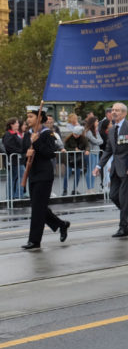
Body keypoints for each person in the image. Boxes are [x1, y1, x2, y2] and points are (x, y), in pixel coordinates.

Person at [20, 106, 70, 250]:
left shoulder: (47, 134)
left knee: (37, 208)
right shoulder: (27, 134)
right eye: (27, 116)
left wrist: (36, 142)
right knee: (38, 207)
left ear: (39, 118)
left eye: (31, 116)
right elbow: (24, 153)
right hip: (32, 174)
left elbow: (50, 153)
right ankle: (61, 224)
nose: (28, 119)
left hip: (44, 174)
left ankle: (34, 241)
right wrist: (26, 156)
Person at [94, 102, 128, 238]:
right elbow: (108, 150)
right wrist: (99, 166)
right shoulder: (111, 129)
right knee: (113, 196)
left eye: (118, 110)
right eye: (113, 110)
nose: (114, 112)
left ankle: (123, 228)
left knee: (122, 197)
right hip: (115, 168)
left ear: (124, 113)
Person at [4, 118, 25, 200]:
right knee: (19, 177)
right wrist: (21, 151)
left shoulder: (15, 134)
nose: (18, 124)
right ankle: (16, 196)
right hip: (14, 160)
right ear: (11, 124)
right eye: (16, 123)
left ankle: (13, 196)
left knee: (14, 178)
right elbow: (9, 147)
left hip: (17, 160)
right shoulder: (9, 134)